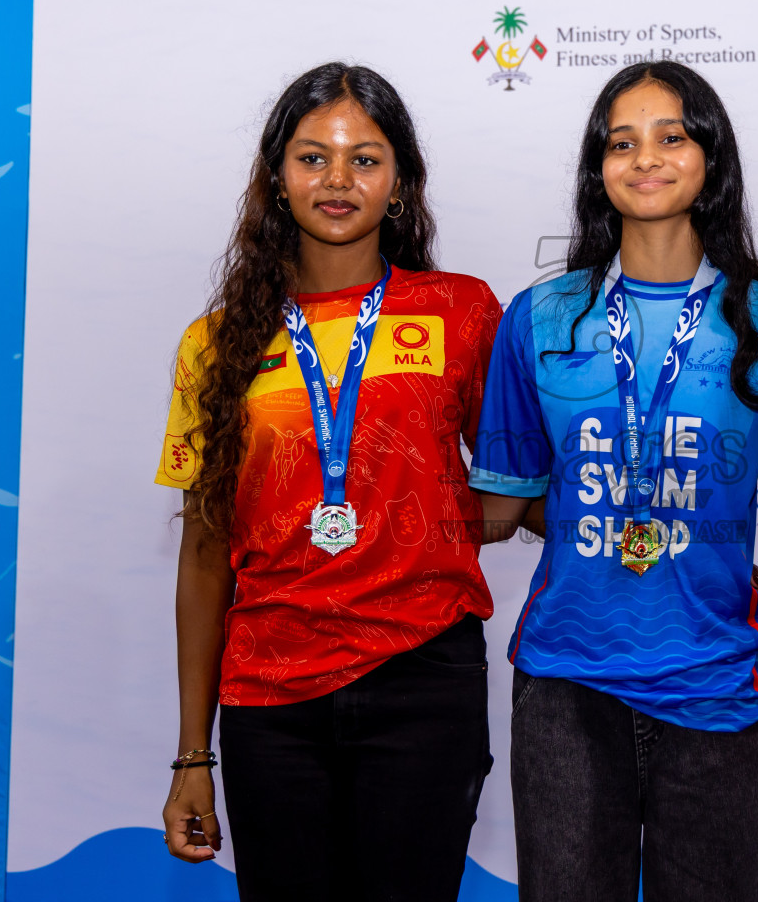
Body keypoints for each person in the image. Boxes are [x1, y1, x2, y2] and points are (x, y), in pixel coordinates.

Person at [472, 60, 758, 902]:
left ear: (711, 158)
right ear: (598, 167)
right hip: (567, 682)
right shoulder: (541, 319)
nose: (647, 158)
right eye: (622, 142)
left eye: (672, 137)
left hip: (715, 681)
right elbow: (502, 506)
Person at [155, 62, 501, 901]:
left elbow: (518, 489)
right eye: (313, 158)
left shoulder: (461, 311)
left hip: (424, 677)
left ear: (401, 183)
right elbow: (204, 555)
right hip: (270, 695)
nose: (338, 180)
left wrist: (672, 543)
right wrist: (193, 755)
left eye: (365, 159)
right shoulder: (217, 343)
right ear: (276, 179)